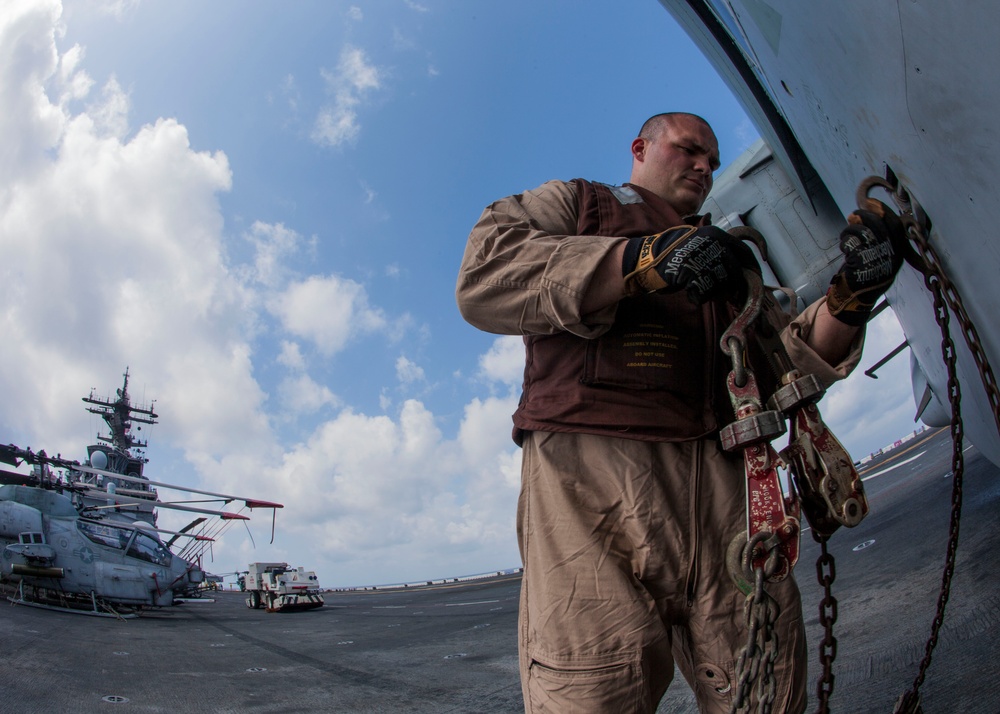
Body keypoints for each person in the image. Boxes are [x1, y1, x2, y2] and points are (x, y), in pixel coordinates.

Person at [455, 112, 902, 714]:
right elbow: (485, 275)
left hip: (727, 491)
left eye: (713, 162)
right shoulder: (577, 204)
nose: (704, 167)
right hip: (593, 492)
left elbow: (785, 368)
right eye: (690, 150)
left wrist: (851, 295)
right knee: (590, 692)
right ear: (640, 148)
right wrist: (644, 261)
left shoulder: (729, 261)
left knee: (765, 691)